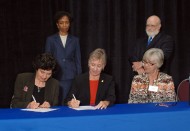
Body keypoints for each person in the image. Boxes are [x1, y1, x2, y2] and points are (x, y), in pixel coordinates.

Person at [45, 11, 82, 105]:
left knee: (70, 100)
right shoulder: (51, 40)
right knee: (57, 100)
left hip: (71, 75)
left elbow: (78, 60)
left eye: (67, 22)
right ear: (57, 25)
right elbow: (47, 60)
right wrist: (49, 75)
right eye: (61, 23)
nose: (64, 25)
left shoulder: (75, 40)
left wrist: (79, 77)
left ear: (69, 24)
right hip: (56, 76)